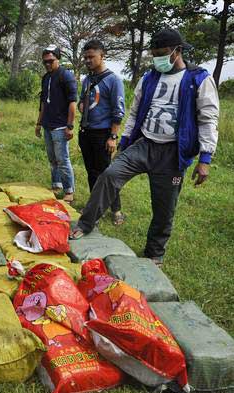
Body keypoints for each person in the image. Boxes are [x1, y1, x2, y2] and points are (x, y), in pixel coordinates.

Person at [70, 29, 219, 267]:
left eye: (161, 54)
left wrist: (205, 158)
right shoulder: (149, 78)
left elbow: (208, 118)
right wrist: (125, 142)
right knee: (109, 174)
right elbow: (135, 113)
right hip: (145, 144)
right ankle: (86, 223)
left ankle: (154, 253)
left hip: (172, 152)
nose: (157, 59)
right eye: (154, 54)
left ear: (177, 51)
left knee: (164, 206)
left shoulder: (197, 79)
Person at [79, 39, 126, 226]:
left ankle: (116, 210)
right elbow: (83, 100)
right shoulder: (87, 79)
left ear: (102, 56)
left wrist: (113, 136)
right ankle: (94, 208)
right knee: (91, 172)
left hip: (103, 134)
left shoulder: (113, 80)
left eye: (92, 57)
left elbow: (118, 110)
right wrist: (83, 106)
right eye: (86, 57)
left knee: (107, 174)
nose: (88, 60)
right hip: (86, 132)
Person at [35, 45, 77, 203]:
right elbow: (43, 103)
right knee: (52, 159)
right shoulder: (46, 78)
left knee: (62, 159)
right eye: (44, 62)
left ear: (58, 59)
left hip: (61, 125)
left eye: (50, 61)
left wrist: (70, 126)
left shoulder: (66, 76)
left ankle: (69, 191)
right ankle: (56, 184)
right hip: (47, 124)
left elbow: (72, 103)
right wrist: (39, 123)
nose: (47, 64)